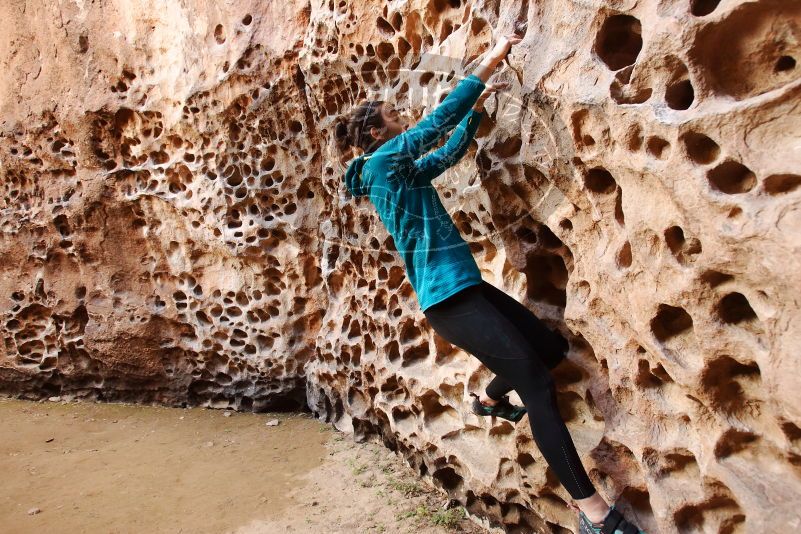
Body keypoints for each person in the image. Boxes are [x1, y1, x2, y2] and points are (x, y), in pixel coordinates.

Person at [334, 28, 645, 534]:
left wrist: (479, 112)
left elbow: (442, 155)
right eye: (393, 117)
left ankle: (490, 400)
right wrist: (491, 59)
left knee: (546, 349)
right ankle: (595, 516)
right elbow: (438, 123)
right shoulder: (382, 161)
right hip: (448, 300)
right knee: (539, 385)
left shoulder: (397, 170)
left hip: (465, 287)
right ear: (374, 134)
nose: (401, 119)